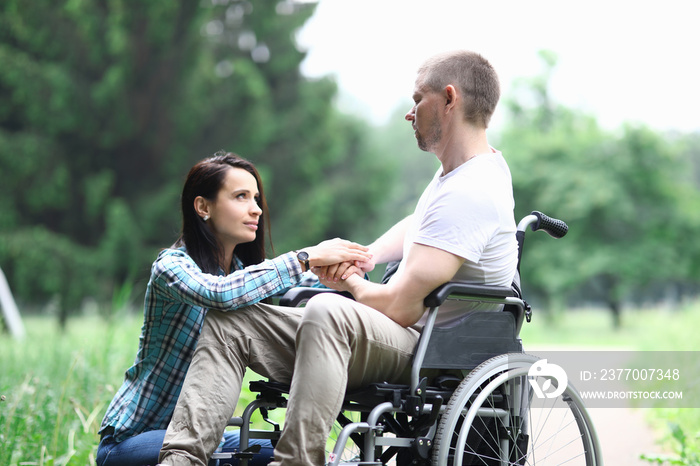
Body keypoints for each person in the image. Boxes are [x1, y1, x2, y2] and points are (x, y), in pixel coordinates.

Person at [158, 50, 519, 466]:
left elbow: (401, 307)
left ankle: (295, 461)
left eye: (418, 99)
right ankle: (181, 460)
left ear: (450, 99)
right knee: (232, 322)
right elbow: (422, 225)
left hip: (433, 348)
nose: (410, 112)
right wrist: (363, 257)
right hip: (404, 337)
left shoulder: (471, 191)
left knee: (329, 309)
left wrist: (349, 281)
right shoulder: (459, 175)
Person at [96, 151, 371, 466]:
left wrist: (350, 273)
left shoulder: (244, 273)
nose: (255, 210)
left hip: (205, 431)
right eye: (241, 197)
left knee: (308, 457)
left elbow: (299, 289)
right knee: (219, 456)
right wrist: (305, 256)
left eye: (256, 198)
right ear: (203, 207)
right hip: (132, 441)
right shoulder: (172, 267)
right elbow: (221, 294)